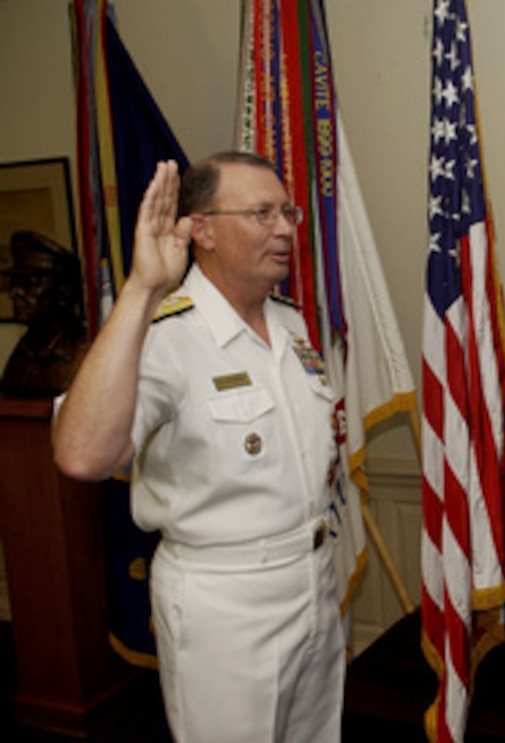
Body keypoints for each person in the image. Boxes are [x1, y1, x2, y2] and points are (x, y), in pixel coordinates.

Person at [53, 153, 345, 742]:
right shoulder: (165, 335)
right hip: (225, 599)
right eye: (262, 213)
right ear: (202, 229)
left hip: (313, 578)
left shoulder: (291, 325)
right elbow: (82, 455)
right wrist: (140, 290)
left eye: (287, 212)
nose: (286, 228)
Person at [0, 230, 89, 397]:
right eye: (14, 283)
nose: (14, 293)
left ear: (64, 293)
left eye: (30, 284)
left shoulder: (83, 355)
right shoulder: (21, 352)